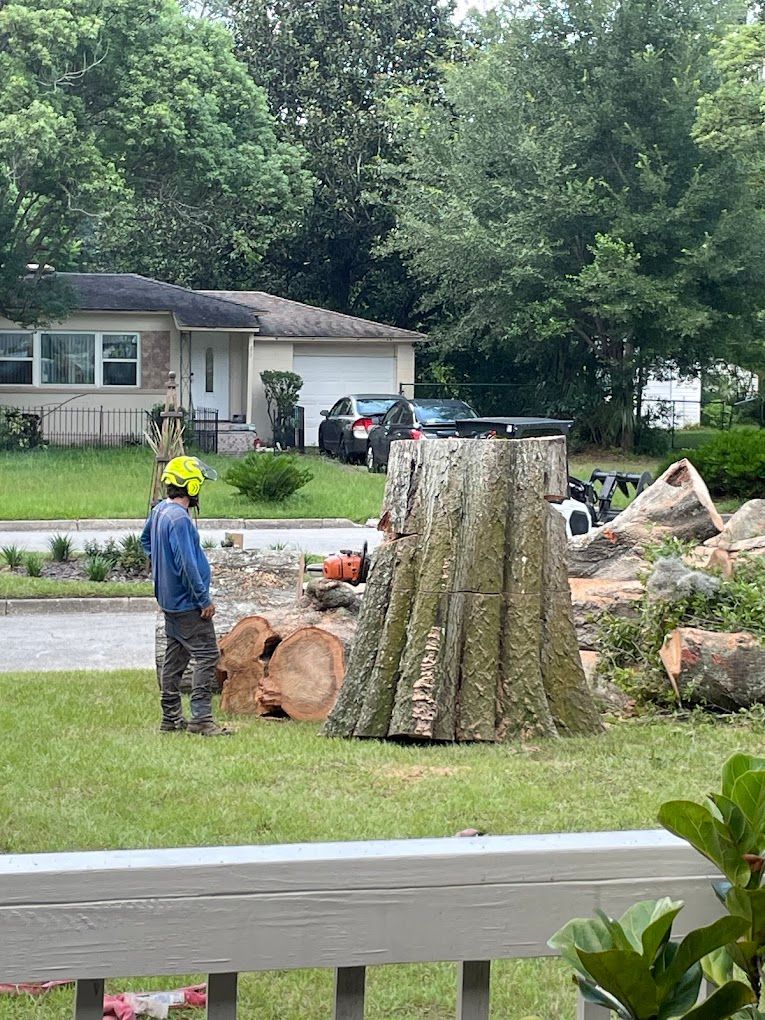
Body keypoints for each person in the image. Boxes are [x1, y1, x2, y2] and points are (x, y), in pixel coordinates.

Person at [141, 455, 232, 736]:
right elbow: (186, 564)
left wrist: (161, 564)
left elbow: (145, 541)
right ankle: (201, 719)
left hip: (169, 601)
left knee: (176, 656)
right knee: (207, 655)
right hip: (188, 603)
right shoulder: (180, 519)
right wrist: (203, 600)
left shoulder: (160, 511)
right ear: (191, 487)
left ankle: (170, 719)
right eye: (199, 485)